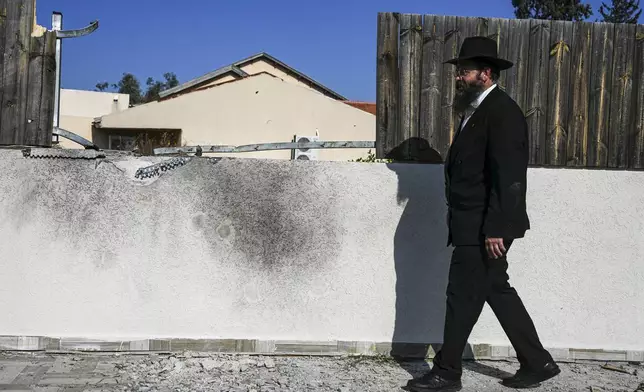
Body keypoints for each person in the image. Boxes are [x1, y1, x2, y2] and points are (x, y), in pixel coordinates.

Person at [407, 36, 560, 391]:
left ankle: (447, 372)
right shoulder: (476, 111)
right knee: (495, 289)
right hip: (472, 223)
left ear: (486, 73)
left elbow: (508, 175)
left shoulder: (501, 112)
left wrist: (496, 228)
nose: (458, 76)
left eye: (464, 71)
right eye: (458, 71)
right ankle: (538, 362)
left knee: (461, 295)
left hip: (482, 226)